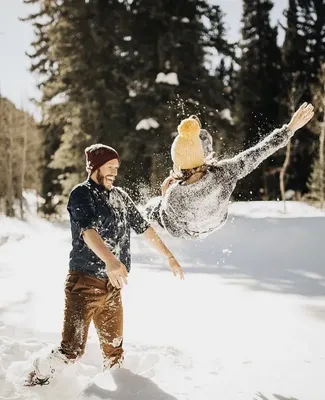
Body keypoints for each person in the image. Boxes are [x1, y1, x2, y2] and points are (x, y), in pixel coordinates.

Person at [26, 144, 184, 386]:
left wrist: (169, 256)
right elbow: (87, 231)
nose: (114, 172)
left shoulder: (120, 196)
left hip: (113, 287)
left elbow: (144, 228)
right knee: (72, 351)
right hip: (84, 283)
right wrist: (110, 260)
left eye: (116, 168)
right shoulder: (82, 194)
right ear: (94, 167)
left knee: (114, 351)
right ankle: (40, 371)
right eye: (109, 167)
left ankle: (116, 392)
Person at [145, 103, 314, 239]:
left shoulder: (173, 195)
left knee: (151, 207)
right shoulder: (224, 172)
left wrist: (164, 197)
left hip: (191, 231)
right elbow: (257, 153)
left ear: (177, 163)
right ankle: (199, 144)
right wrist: (290, 128)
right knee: (204, 139)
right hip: (216, 221)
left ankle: (195, 148)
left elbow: (175, 231)